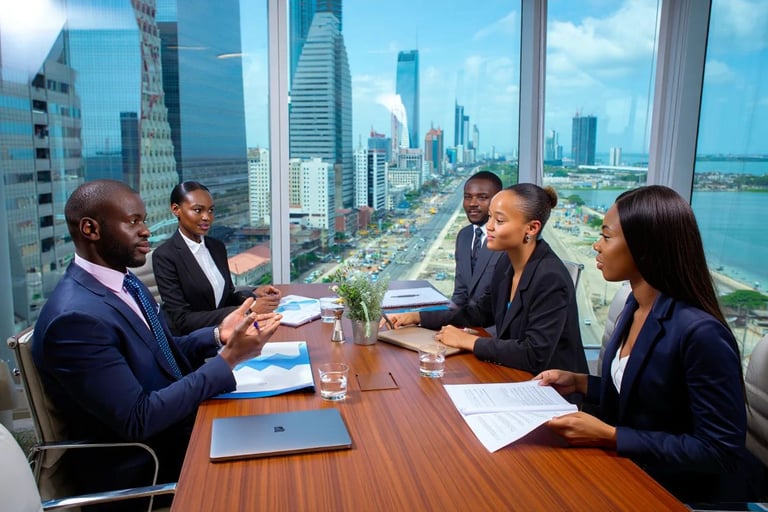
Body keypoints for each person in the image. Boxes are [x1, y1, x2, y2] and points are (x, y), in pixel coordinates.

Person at [32, 180, 282, 507]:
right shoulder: (75, 321)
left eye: (144, 220)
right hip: (149, 466)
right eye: (133, 221)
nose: (147, 231)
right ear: (91, 229)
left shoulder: (123, 283)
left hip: (178, 430)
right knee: (278, 475)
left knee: (280, 427)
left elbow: (165, 352)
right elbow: (139, 419)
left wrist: (219, 335)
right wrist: (229, 359)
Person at [537, 185, 763, 503]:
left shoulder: (701, 334)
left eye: (607, 236)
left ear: (645, 248)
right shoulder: (635, 306)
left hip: (678, 492)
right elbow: (646, 396)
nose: (596, 245)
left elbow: (720, 451)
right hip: (631, 470)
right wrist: (580, 382)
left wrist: (612, 436)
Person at [385, 184, 587, 375]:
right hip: (513, 375)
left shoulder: (549, 277)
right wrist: (417, 317)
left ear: (532, 228)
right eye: (490, 217)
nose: (488, 227)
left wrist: (468, 341)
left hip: (553, 390)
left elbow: (535, 354)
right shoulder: (506, 263)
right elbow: (478, 313)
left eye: (499, 221)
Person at [153, 181, 281, 335]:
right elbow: (182, 320)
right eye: (198, 210)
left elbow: (225, 298)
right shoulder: (165, 256)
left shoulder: (216, 247)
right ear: (176, 209)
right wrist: (247, 311)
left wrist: (254, 294)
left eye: (211, 210)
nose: (206, 217)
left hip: (230, 333)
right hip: (198, 342)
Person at [451, 171, 505, 308]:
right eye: (467, 197)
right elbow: (460, 292)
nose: (472, 204)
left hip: (493, 325)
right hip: (465, 322)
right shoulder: (464, 236)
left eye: (482, 197)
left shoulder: (506, 240)